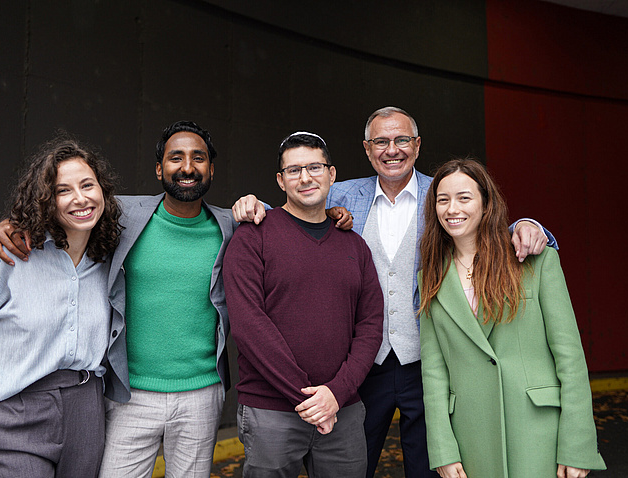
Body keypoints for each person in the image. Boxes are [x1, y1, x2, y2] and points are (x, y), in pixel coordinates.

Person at [0, 122, 353, 477]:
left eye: (199, 158)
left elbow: (296, 218)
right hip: (130, 396)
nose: (187, 167)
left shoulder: (233, 225)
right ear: (159, 169)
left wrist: (333, 216)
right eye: (176, 158)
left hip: (201, 395)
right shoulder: (122, 214)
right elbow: (68, 210)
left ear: (211, 169)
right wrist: (8, 227)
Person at [232, 106, 555, 478]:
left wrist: (528, 226)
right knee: (355, 465)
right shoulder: (340, 192)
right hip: (361, 370)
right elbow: (295, 212)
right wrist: (250, 206)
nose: (392, 149)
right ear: (367, 150)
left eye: (402, 140)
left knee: (428, 466)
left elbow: (484, 219)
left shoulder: (442, 192)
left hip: (428, 359)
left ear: (417, 145)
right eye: (381, 142)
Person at [0, 135, 122, 477]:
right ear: (46, 200)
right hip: (18, 415)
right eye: (63, 190)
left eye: (87, 185)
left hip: (86, 415)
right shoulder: (10, 255)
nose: (80, 199)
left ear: (103, 191)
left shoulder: (112, 257)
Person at [417, 158, 606, 478]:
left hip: (539, 433)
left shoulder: (536, 261)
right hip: (471, 438)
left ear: (486, 203)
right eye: (443, 199)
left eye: (464, 197)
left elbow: (570, 357)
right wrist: (442, 450)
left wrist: (577, 446)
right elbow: (434, 372)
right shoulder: (430, 277)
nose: (452, 208)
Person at [223, 132, 384, 477]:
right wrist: (310, 399)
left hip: (343, 411)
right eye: (294, 170)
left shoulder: (355, 246)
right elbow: (249, 327)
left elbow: (370, 327)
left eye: (314, 167)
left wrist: (335, 395)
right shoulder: (252, 238)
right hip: (271, 411)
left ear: (332, 174)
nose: (306, 177)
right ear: (280, 181)